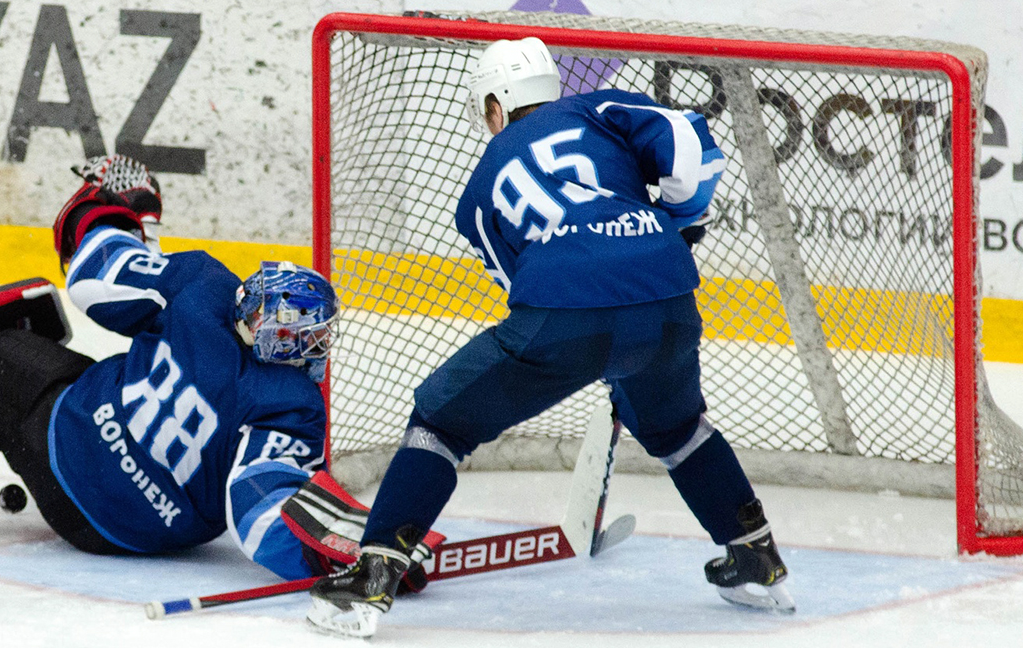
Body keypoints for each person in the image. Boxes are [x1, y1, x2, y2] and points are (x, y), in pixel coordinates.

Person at [307, 38, 793, 637]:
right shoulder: (599, 110)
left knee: (442, 421)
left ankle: (375, 571)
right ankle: (755, 554)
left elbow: (522, 284)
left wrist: (587, 307)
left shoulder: (480, 189)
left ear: (494, 104)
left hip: (564, 315)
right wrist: (678, 225)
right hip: (668, 300)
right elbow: (690, 142)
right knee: (677, 428)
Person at [0, 154, 348, 581]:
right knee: (67, 359)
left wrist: (111, 211)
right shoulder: (296, 406)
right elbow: (258, 508)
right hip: (137, 539)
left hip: (70, 461)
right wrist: (341, 554)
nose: (310, 346)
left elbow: (94, 276)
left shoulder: (205, 288)